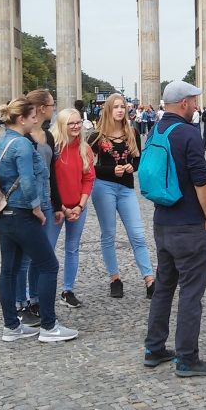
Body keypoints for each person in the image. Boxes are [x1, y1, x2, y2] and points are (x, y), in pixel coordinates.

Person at [143, 81, 206, 377]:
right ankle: (187, 358)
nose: (197, 106)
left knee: (164, 286)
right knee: (190, 292)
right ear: (184, 103)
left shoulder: (154, 131)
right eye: (194, 101)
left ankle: (154, 348)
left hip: (162, 221)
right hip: (188, 224)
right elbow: (201, 179)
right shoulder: (188, 133)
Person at [0, 98, 77, 343]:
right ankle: (49, 326)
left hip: (3, 213)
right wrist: (37, 209)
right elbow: (27, 182)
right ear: (22, 119)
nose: (36, 120)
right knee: (48, 265)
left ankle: (11, 326)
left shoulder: (2, 141)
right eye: (32, 117)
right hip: (21, 213)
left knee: (8, 270)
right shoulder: (23, 145)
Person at [89, 93, 155, 299]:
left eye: (122, 107)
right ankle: (115, 278)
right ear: (108, 109)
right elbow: (89, 167)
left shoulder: (132, 132)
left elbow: (137, 161)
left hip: (126, 188)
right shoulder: (96, 136)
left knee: (137, 235)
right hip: (104, 187)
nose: (119, 110)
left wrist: (129, 167)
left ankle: (149, 279)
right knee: (108, 234)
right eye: (116, 107)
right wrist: (111, 171)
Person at [14, 90, 58, 325]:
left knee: (43, 254)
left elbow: (54, 173)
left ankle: (36, 299)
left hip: (47, 200)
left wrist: (57, 203)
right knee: (24, 258)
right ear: (42, 108)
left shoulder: (48, 136)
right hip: (29, 203)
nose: (54, 108)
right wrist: (33, 204)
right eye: (52, 104)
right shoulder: (23, 138)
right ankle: (21, 302)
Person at [50, 108, 95, 309]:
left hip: (78, 206)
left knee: (72, 248)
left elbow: (88, 178)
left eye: (78, 122)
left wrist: (80, 205)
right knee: (47, 249)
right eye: (71, 123)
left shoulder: (84, 148)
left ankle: (68, 290)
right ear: (62, 125)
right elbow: (49, 181)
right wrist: (63, 207)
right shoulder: (53, 149)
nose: (76, 126)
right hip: (56, 208)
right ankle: (37, 292)